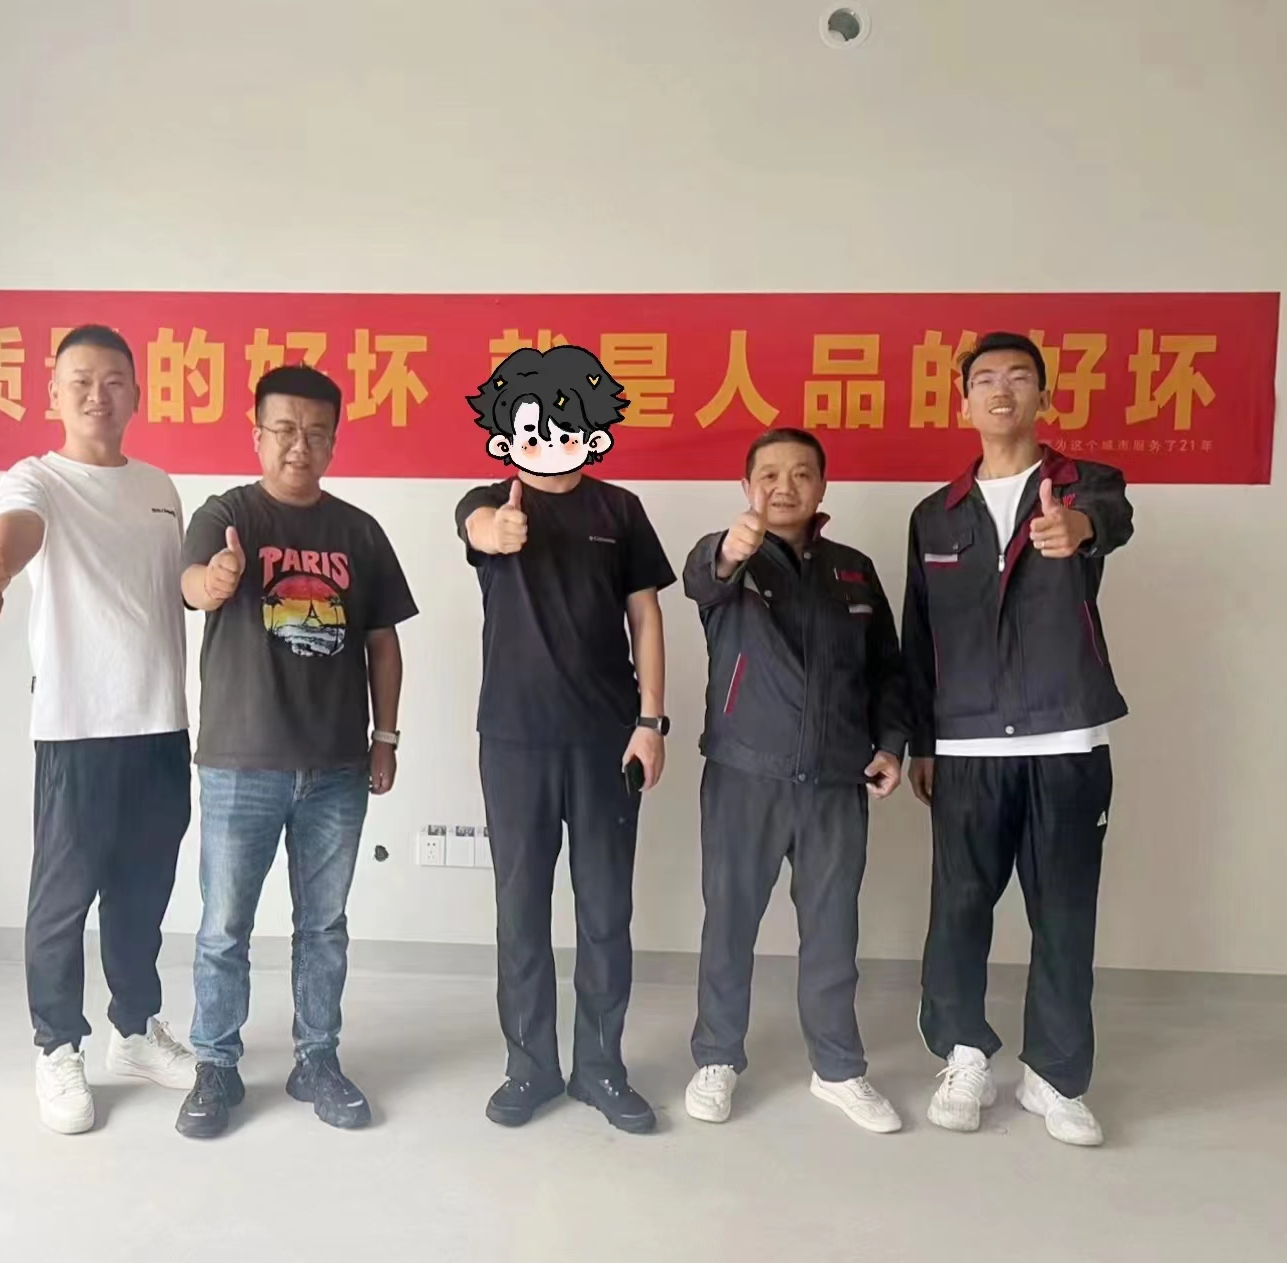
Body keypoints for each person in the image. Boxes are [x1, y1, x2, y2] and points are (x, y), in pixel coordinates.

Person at [902, 330, 1134, 1148]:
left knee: (1063, 914)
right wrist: (919, 740)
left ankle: (1055, 1077)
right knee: (958, 911)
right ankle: (964, 1054)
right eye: (985, 379)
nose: (1001, 390)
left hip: (1065, 735)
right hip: (965, 747)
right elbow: (917, 636)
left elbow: (1112, 519)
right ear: (962, 399)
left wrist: (1079, 528)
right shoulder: (934, 513)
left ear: (1042, 394)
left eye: (1018, 377)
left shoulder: (1083, 485)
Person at [174, 364, 417, 1140]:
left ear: (333, 442)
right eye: (283, 429)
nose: (298, 445)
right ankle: (216, 1063)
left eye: (315, 432)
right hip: (239, 763)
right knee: (223, 926)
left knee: (324, 926)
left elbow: (382, 643)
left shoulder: (358, 532)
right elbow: (191, 584)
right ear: (257, 434)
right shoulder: (227, 513)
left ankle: (317, 1058)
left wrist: (385, 736)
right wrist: (217, 579)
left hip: (337, 766)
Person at [0, 324, 197, 1135]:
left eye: (113, 380)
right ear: (54, 393)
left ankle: (132, 1032)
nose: (98, 395)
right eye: (81, 381)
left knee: (143, 893)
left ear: (136, 393)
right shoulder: (38, 477)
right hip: (77, 726)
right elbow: (18, 528)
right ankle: (57, 1045)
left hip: (161, 723)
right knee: (62, 900)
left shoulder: (161, 486)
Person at [456, 345, 676, 1134]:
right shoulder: (489, 499)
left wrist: (651, 721)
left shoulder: (619, 510)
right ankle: (529, 1066)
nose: (550, 436)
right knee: (519, 909)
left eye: (566, 421)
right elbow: (479, 529)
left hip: (606, 741)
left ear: (592, 429)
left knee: (605, 911)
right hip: (513, 740)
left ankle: (600, 1066)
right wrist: (499, 528)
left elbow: (646, 614)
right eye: (533, 424)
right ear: (504, 432)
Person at [681, 429, 909, 1133]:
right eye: (770, 474)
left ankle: (837, 1069)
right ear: (747, 485)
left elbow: (888, 669)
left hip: (835, 781)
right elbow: (701, 577)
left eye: (801, 474)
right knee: (729, 923)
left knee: (833, 930)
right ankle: (717, 1057)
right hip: (744, 776)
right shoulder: (727, 557)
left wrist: (891, 744)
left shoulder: (854, 571)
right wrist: (731, 549)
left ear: (822, 486)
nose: (785, 486)